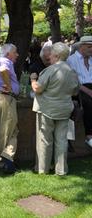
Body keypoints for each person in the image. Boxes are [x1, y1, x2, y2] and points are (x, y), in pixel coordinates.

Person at [31, 42, 79, 175]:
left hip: (47, 109)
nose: (49, 57)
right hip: (64, 109)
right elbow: (75, 91)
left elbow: (38, 88)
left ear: (57, 56)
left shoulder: (50, 70)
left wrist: (33, 79)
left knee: (45, 140)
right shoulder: (71, 70)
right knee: (62, 140)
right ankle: (61, 170)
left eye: (51, 55)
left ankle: (43, 169)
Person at [0, 43, 20, 174]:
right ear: (8, 54)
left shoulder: (3, 60)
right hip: (5, 98)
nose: (17, 54)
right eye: (15, 52)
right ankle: (1, 162)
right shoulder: (4, 61)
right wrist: (9, 85)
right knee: (7, 131)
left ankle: (7, 157)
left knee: (12, 130)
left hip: (2, 97)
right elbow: (3, 69)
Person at [67, 35, 92, 147]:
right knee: (88, 102)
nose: (91, 50)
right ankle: (89, 136)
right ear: (81, 47)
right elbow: (73, 81)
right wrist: (88, 91)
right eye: (89, 47)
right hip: (79, 89)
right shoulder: (71, 60)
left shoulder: (91, 59)